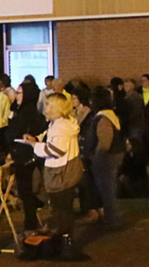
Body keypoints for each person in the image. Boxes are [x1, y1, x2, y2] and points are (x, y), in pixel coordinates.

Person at [24, 94, 84, 257]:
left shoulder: (60, 126)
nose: (45, 107)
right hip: (67, 171)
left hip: (61, 172)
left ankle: (65, 245)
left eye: (49, 104)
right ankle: (64, 243)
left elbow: (56, 150)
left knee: (61, 210)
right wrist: (38, 140)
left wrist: (36, 146)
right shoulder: (62, 123)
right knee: (63, 208)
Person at [85, 87, 124, 227]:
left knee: (107, 189)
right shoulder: (110, 115)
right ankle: (110, 216)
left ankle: (111, 218)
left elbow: (104, 143)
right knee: (108, 188)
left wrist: (96, 157)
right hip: (112, 156)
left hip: (106, 158)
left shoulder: (103, 118)